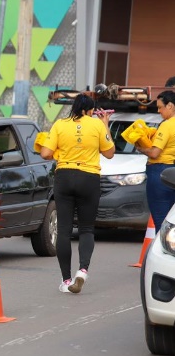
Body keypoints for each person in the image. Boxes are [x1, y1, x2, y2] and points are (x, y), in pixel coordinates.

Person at [40, 94, 115, 294]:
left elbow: (46, 153)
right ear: (89, 110)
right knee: (86, 229)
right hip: (89, 178)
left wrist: (59, 152)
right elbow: (109, 153)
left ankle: (66, 280)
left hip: (64, 176)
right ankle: (82, 270)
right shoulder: (97, 125)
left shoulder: (59, 124)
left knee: (64, 230)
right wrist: (105, 125)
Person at [136, 90, 175, 232]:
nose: (159, 111)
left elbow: (154, 153)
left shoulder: (167, 125)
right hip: (172, 170)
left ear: (170, 106)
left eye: (160, 107)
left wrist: (140, 148)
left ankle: (164, 252)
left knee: (161, 222)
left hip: (160, 173)